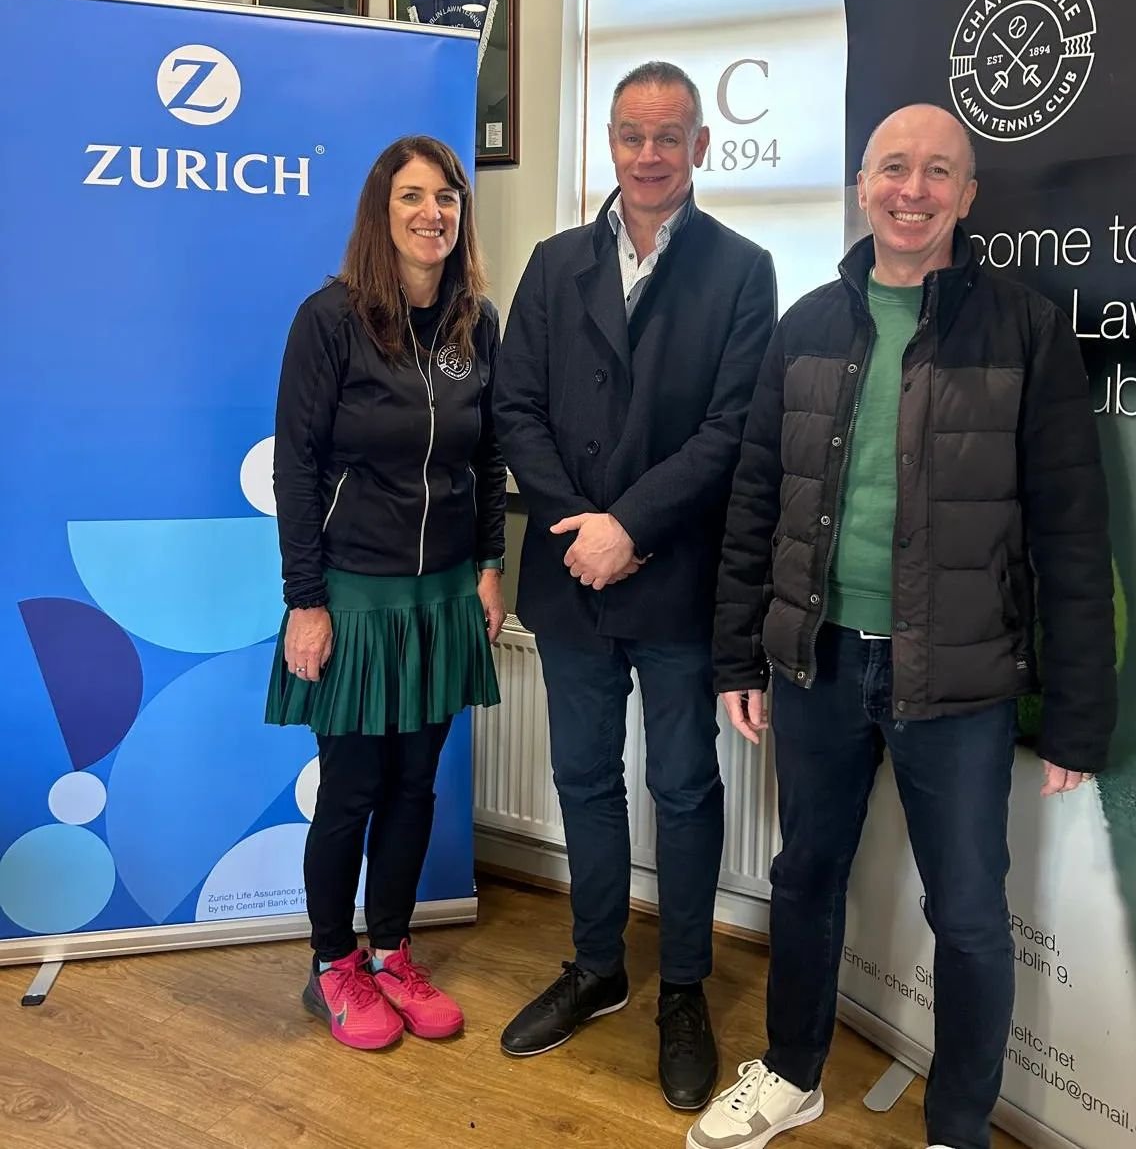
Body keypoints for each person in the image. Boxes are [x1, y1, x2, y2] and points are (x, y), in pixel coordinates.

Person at [691, 103, 1116, 1149]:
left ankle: (956, 1129)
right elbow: (756, 500)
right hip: (816, 665)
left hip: (958, 680)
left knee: (969, 917)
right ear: (862, 184)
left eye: (937, 172)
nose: (911, 189)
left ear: (968, 196)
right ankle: (792, 1073)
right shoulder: (808, 324)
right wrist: (740, 651)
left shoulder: (1024, 328)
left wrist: (1077, 712)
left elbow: (1070, 524)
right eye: (892, 167)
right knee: (804, 877)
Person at [493, 61, 777, 1110]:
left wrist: (631, 528)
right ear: (608, 144)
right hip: (572, 580)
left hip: (673, 583)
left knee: (684, 787)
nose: (649, 155)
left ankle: (686, 990)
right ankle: (600, 965)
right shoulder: (552, 261)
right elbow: (515, 408)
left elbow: (732, 431)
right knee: (581, 781)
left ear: (700, 147)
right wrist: (582, 528)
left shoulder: (744, 271)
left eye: (669, 137)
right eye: (630, 136)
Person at [265, 135, 506, 1052]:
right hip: (355, 596)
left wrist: (488, 566)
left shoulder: (475, 323)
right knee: (355, 790)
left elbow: (489, 455)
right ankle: (334, 964)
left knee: (416, 789)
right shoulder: (328, 321)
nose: (432, 212)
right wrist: (306, 598)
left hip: (442, 596)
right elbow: (297, 469)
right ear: (381, 210)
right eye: (412, 196)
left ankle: (393, 950)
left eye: (446, 197)